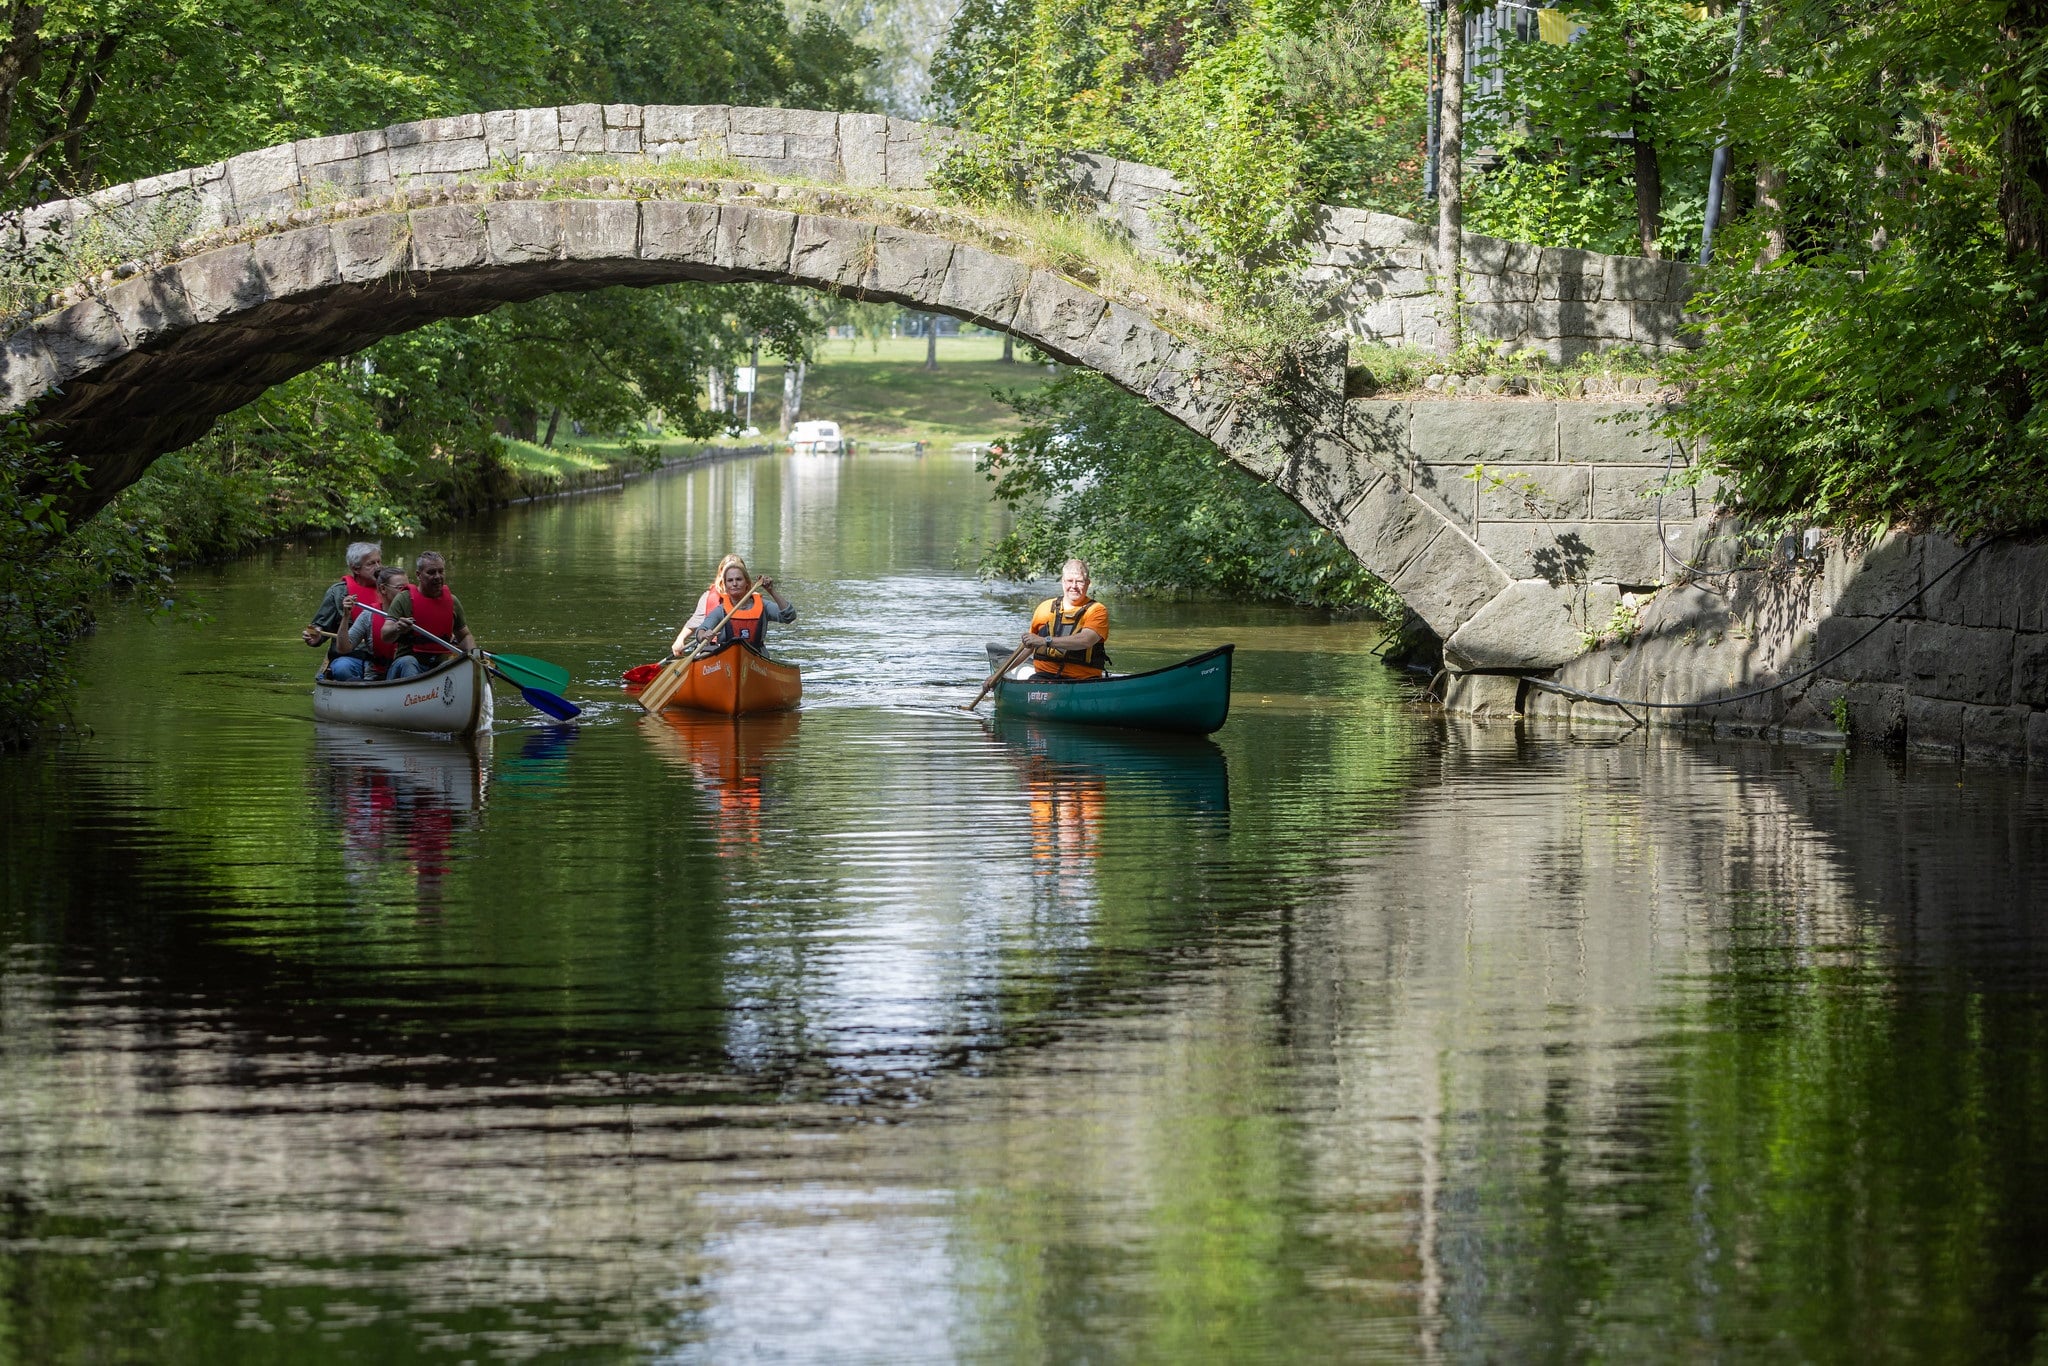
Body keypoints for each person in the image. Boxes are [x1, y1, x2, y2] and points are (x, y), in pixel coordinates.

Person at [672, 553, 796, 657]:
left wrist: (771, 591)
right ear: (725, 584)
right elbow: (701, 630)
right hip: (725, 656)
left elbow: (789, 616)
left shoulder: (762, 605)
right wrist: (703, 635)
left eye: (739, 579)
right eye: (730, 580)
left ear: (747, 583)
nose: (734, 584)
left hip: (756, 655)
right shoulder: (720, 609)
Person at [382, 551, 479, 680]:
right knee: (409, 662)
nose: (438, 576)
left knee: (452, 665)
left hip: (438, 665)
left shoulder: (452, 602)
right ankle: (413, 697)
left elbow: (465, 636)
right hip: (406, 665)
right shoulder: (403, 599)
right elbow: (385, 635)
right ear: (418, 575)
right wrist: (397, 627)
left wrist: (475, 658)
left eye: (441, 571)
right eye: (431, 572)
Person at [1021, 558, 1109, 680]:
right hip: (1044, 676)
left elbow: (1086, 640)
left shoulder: (1097, 610)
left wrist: (1045, 641)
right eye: (1069, 581)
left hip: (1084, 679)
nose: (1074, 586)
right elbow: (1028, 647)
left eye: (1079, 581)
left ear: (1088, 583)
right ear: (1063, 582)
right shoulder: (1044, 608)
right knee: (1034, 682)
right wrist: (997, 675)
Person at [325, 567, 409, 681]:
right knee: (346, 675)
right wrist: (346, 616)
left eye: (408, 588)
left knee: (407, 662)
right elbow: (343, 648)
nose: (405, 593)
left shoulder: (414, 612)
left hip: (402, 674)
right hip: (375, 675)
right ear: (383, 589)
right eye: (400, 588)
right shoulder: (368, 615)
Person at [303, 541, 382, 650]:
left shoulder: (388, 589)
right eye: (371, 563)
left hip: (380, 653)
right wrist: (315, 635)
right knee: (343, 666)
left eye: (379, 562)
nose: (378, 567)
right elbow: (319, 626)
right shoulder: (337, 592)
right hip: (349, 653)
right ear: (355, 569)